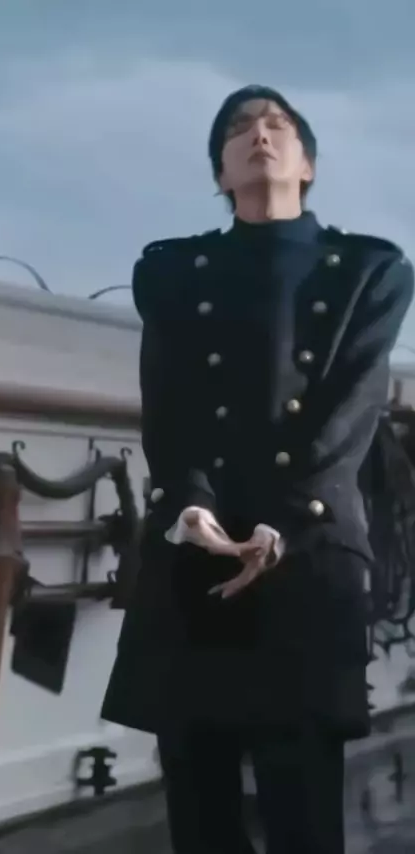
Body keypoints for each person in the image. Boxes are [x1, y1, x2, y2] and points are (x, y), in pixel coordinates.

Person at [101, 85, 414, 853]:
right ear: (221, 171)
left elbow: (348, 415)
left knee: (302, 804)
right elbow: (169, 406)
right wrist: (189, 507)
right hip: (197, 552)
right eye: (238, 128)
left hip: (308, 552)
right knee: (199, 806)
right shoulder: (174, 272)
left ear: (307, 163)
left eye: (277, 124)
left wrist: (282, 522)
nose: (259, 134)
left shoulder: (368, 270)